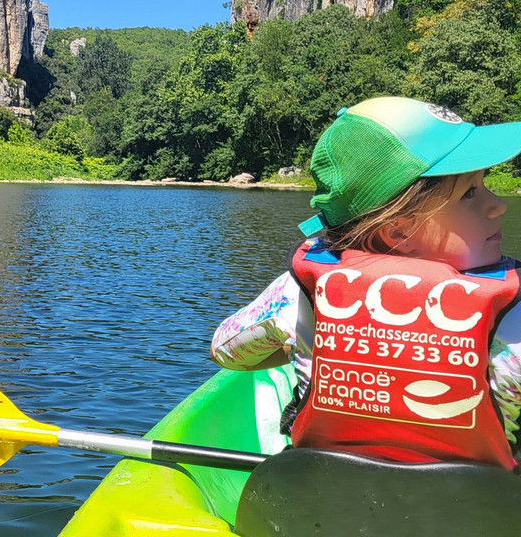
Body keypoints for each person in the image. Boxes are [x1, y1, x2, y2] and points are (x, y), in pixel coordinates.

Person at [211, 96, 521, 470]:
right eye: (470, 193)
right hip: (476, 515)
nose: (497, 204)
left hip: (318, 503)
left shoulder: (300, 292)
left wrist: (301, 346)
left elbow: (226, 350)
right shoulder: (512, 309)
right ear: (397, 230)